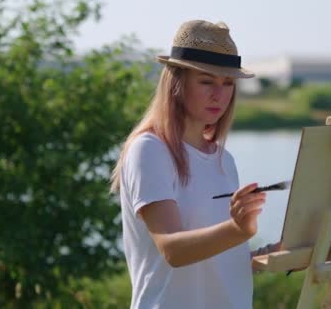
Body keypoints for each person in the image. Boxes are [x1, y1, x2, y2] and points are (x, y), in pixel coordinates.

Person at [109, 20, 279, 309]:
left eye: (227, 83)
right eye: (206, 81)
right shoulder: (149, 151)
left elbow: (216, 263)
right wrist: (238, 229)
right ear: (176, 82)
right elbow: (173, 250)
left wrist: (273, 254)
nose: (220, 94)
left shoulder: (224, 160)